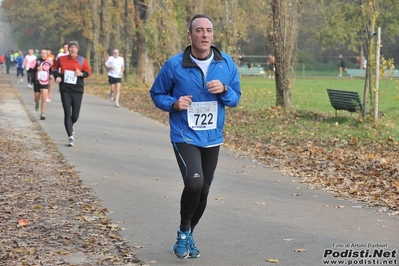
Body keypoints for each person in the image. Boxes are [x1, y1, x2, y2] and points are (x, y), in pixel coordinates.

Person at [150, 14, 241, 259]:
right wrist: (174, 103)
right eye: (199, 30)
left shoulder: (226, 63)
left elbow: (235, 98)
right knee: (194, 183)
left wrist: (224, 90)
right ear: (190, 35)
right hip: (184, 134)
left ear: (213, 35)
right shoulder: (174, 65)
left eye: (208, 30)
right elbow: (157, 93)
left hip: (212, 137)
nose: (205, 35)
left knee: (204, 190)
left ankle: (188, 232)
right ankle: (182, 232)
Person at [52, 41, 92, 147]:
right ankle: (70, 137)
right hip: (65, 89)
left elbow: (89, 72)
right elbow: (54, 69)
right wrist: (57, 77)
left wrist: (81, 74)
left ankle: (71, 125)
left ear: (77, 49)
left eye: (75, 47)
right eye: (71, 47)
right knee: (66, 112)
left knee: (75, 115)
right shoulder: (61, 59)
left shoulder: (82, 60)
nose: (73, 49)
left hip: (78, 89)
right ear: (68, 49)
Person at [33, 48, 53, 119]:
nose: (43, 54)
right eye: (42, 53)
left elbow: (51, 70)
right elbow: (30, 69)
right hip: (37, 81)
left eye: (45, 53)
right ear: (40, 54)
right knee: (37, 97)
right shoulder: (36, 61)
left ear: (47, 54)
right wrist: (36, 69)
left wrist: (51, 75)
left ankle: (42, 113)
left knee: (44, 98)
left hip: (45, 82)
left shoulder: (49, 62)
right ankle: (37, 103)